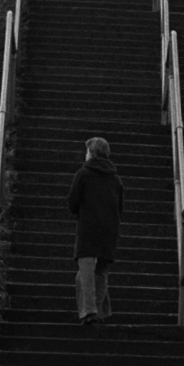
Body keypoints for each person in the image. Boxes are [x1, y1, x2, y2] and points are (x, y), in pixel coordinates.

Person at [67, 136, 124, 326]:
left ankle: (90, 312)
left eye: (86, 151)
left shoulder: (83, 174)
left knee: (85, 271)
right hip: (108, 232)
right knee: (100, 271)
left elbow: (72, 202)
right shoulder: (115, 179)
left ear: (91, 154)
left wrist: (80, 213)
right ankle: (100, 311)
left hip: (88, 230)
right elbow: (120, 207)